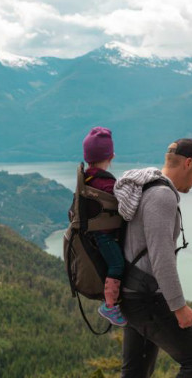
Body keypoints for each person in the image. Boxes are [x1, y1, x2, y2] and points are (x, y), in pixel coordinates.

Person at [114, 138, 192, 378]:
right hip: (148, 298)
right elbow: (161, 259)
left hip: (132, 294)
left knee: (135, 373)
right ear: (189, 163)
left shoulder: (145, 187)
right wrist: (179, 307)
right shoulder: (162, 196)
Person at [82, 126, 127, 327]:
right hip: (105, 236)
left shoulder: (87, 178)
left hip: (93, 234)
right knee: (117, 265)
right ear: (111, 156)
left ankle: (111, 302)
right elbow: (123, 207)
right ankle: (109, 306)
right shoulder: (107, 184)